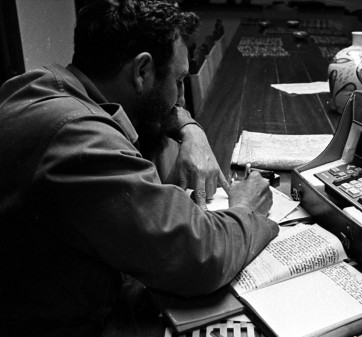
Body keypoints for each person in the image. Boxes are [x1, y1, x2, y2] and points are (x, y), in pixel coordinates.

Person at [0, 1, 279, 336]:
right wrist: (246, 207)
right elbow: (201, 256)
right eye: (178, 80)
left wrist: (190, 129)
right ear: (142, 71)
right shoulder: (79, 138)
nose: (180, 98)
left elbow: (155, 111)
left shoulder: (46, 84)